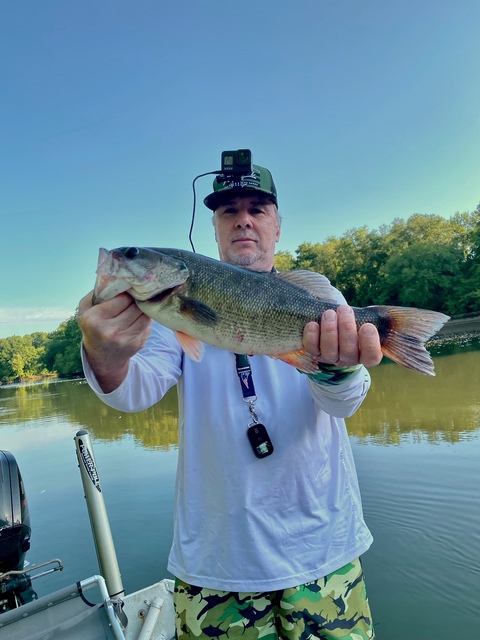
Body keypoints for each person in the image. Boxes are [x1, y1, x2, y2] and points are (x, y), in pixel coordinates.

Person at [78, 161, 383, 640]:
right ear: (215, 230)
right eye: (229, 211)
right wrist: (104, 353)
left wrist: (336, 364)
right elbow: (135, 391)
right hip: (217, 563)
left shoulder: (319, 299)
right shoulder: (164, 314)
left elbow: (344, 403)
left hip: (323, 550)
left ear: (277, 227)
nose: (243, 219)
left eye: (257, 209)